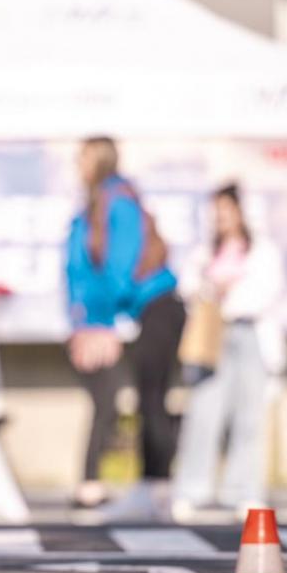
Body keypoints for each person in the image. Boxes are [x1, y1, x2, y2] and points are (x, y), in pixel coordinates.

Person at [65, 137, 185, 518]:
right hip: (145, 309)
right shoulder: (99, 203)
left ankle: (156, 490)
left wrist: (102, 321)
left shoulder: (118, 199)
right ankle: (154, 490)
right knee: (149, 397)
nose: (78, 165)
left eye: (83, 158)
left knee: (152, 399)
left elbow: (120, 266)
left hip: (159, 304)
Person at [173, 184, 287, 518]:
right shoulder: (205, 251)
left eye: (226, 209)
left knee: (249, 415)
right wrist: (211, 290)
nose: (220, 217)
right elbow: (187, 285)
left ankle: (244, 489)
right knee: (203, 412)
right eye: (216, 211)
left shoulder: (261, 250)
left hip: (247, 332)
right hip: (211, 335)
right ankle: (192, 489)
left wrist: (230, 295)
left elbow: (266, 290)